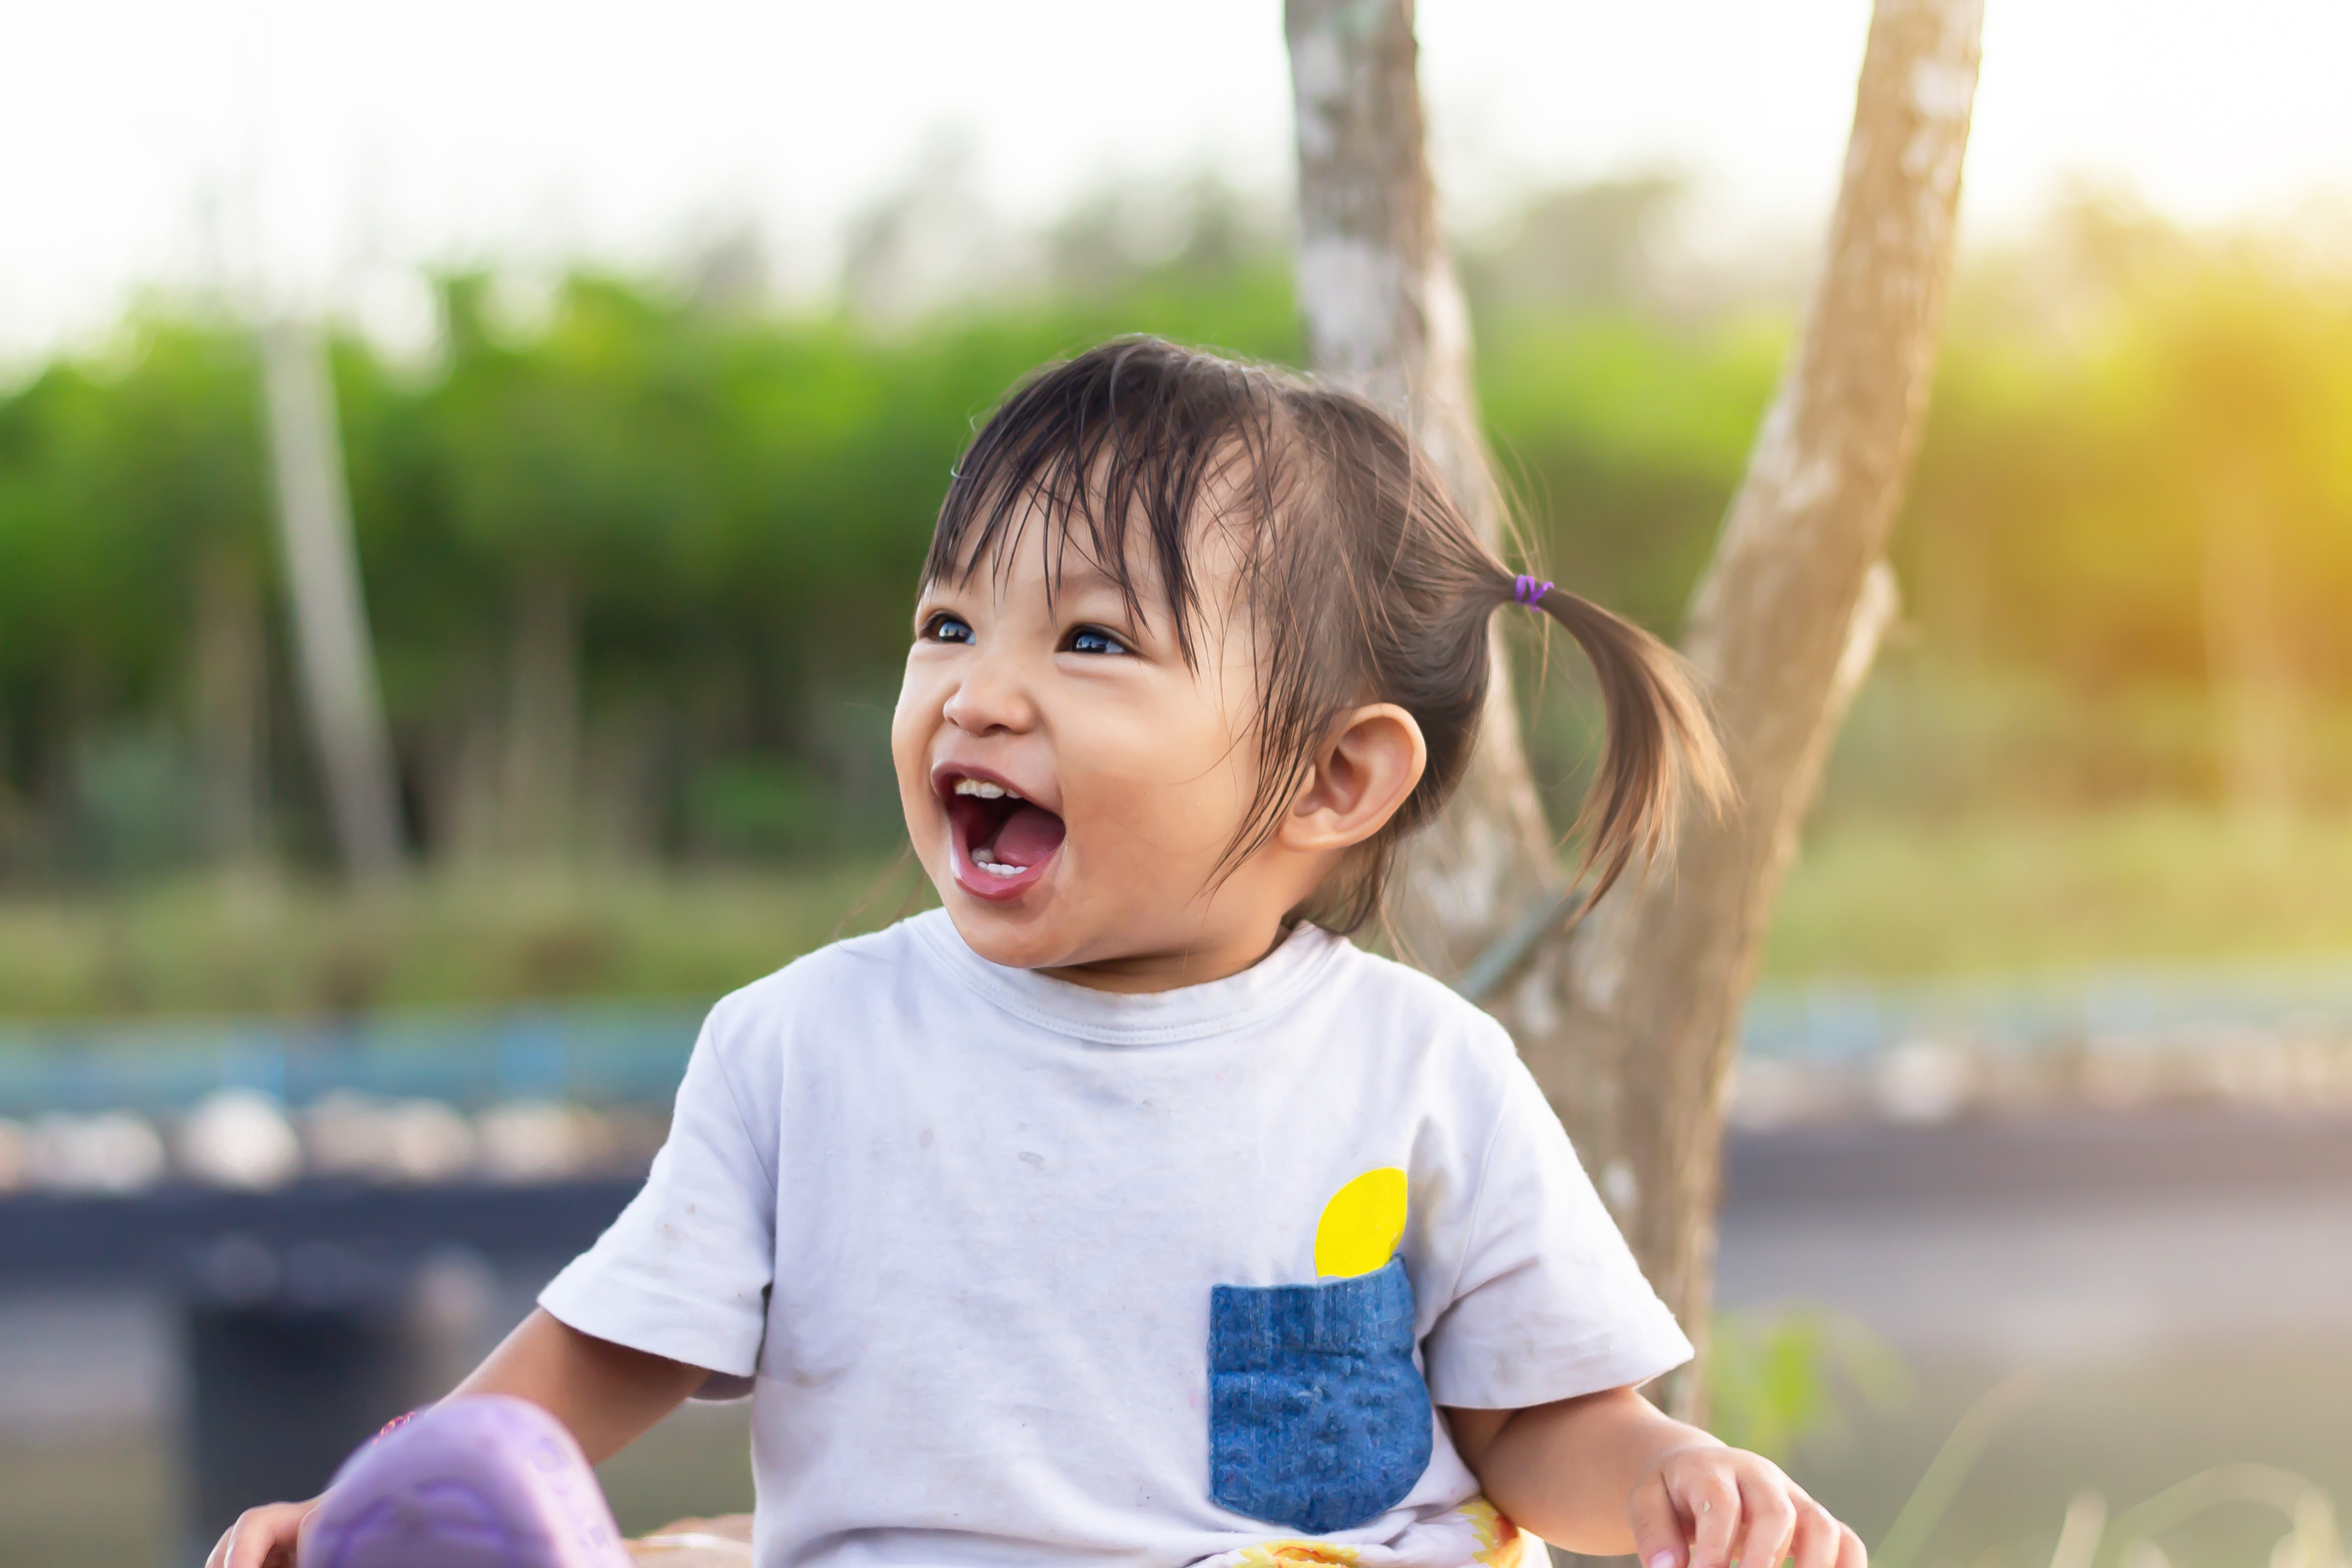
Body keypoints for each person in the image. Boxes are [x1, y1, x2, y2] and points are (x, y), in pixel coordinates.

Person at [214, 337, 1864, 1568]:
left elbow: (1538, 1414)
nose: (978, 692)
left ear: (1334, 776)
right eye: (948, 624)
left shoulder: (1417, 1071)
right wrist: (390, 1497)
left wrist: (1669, 1479)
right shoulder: (807, 1045)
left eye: (1091, 640)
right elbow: (608, 1343)